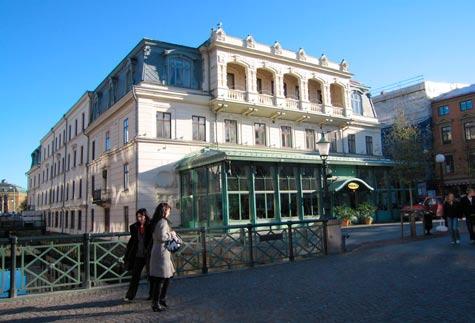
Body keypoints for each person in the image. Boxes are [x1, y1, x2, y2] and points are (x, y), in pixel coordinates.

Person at [149, 202, 177, 312]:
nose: (169, 212)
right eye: (169, 210)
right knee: (160, 278)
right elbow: (162, 236)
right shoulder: (163, 222)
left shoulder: (156, 221)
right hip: (162, 252)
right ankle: (156, 302)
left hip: (158, 251)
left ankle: (161, 299)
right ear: (165, 211)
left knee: (167, 276)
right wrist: (172, 234)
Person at [123, 208, 153, 301]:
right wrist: (127, 255)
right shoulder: (134, 227)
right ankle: (130, 296)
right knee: (135, 276)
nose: (139, 218)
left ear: (145, 216)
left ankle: (153, 295)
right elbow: (132, 242)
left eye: (141, 216)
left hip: (149, 255)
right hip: (138, 255)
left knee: (151, 276)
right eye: (138, 217)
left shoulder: (151, 226)